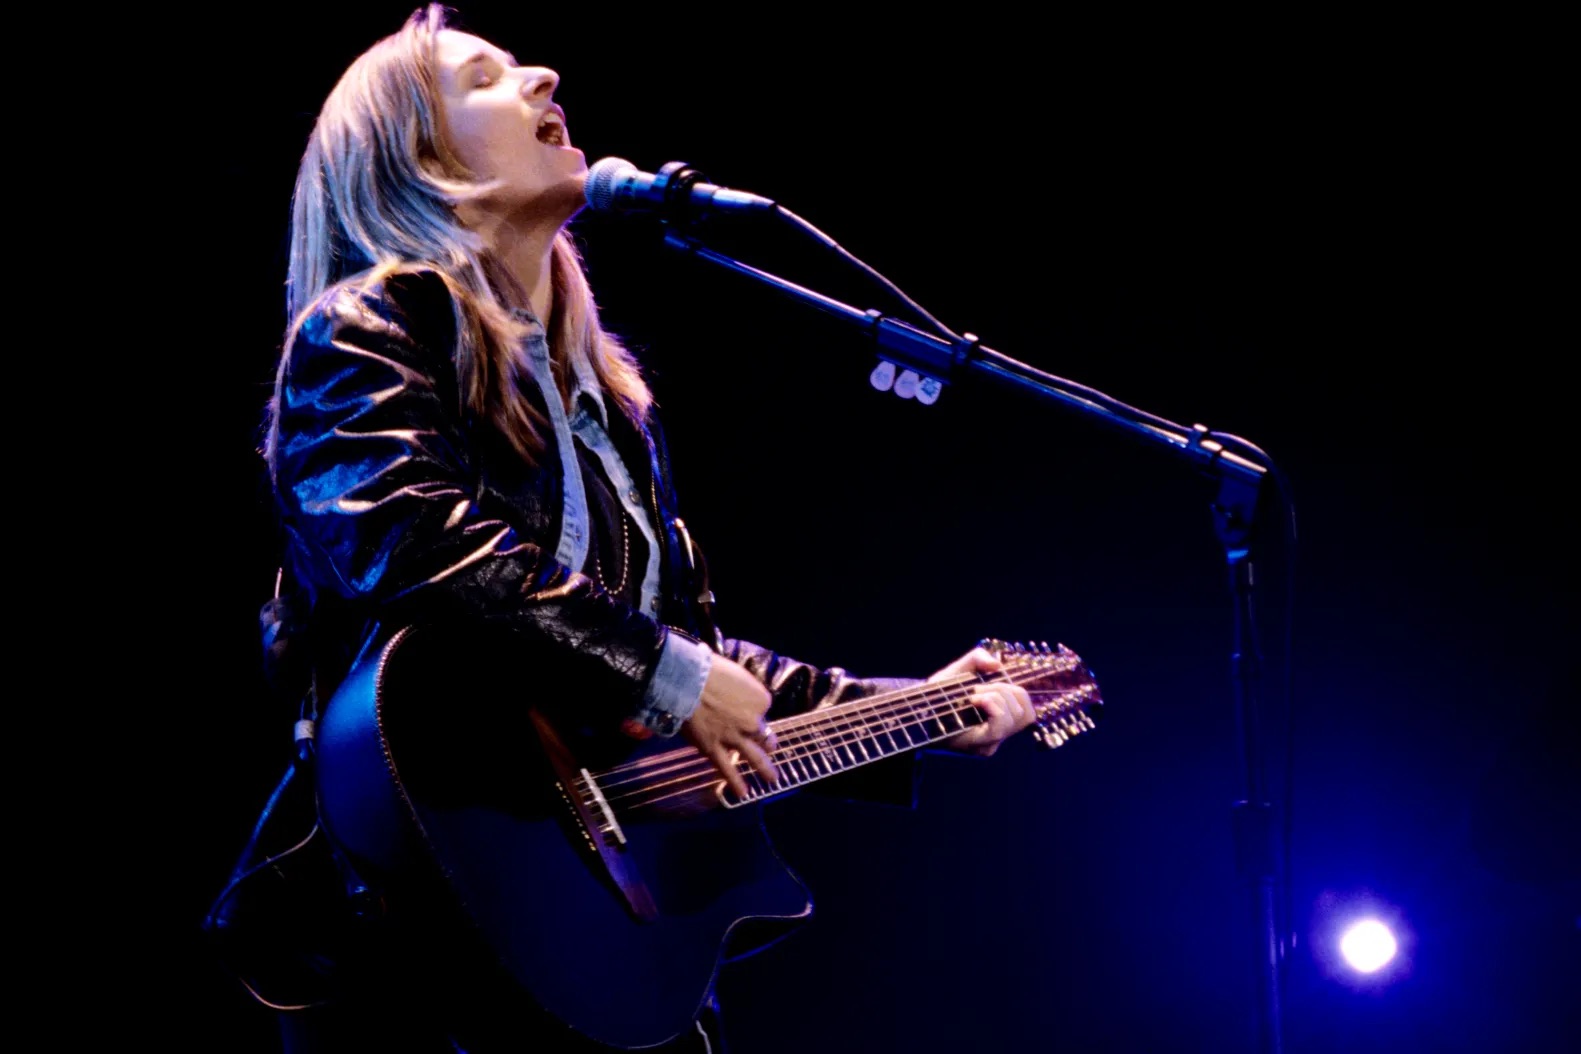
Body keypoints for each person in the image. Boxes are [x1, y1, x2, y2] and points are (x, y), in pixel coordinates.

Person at [229, 5, 1038, 1051]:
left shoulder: (607, 408)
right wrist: (672, 675)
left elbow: (681, 648)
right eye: (486, 78)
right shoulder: (367, 329)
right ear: (416, 159)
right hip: (426, 923)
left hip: (589, 947)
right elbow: (408, 540)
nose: (545, 79)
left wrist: (917, 708)